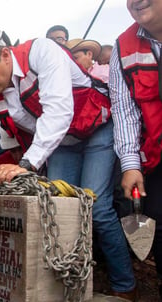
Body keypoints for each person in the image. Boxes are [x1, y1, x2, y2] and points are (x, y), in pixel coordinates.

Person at [0, 19, 136, 299]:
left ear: (4, 54)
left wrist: (27, 165)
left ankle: (124, 285)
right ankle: (65, 285)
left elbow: (58, 113)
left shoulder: (41, 52)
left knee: (98, 208)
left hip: (96, 131)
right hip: (63, 143)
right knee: (56, 210)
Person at [110, 0, 162, 299]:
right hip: (155, 152)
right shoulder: (124, 46)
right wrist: (131, 164)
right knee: (158, 218)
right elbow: (125, 108)